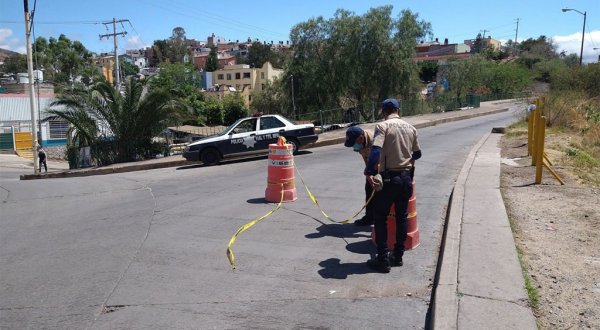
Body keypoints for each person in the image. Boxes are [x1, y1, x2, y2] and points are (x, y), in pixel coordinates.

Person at [363, 98, 421, 273]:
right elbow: (417, 154)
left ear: (384, 112)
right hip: (406, 180)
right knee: (402, 217)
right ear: (399, 110)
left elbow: (376, 150)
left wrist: (369, 172)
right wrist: (405, 161)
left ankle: (382, 260)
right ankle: (398, 256)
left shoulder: (383, 126)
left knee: (380, 218)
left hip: (389, 180)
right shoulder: (411, 128)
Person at [344, 126, 374, 226]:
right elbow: (365, 157)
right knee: (369, 190)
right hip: (371, 167)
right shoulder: (360, 144)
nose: (354, 146)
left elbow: (383, 158)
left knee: (381, 195)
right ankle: (369, 217)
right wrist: (368, 173)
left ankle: (381, 220)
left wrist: (376, 176)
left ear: (361, 138)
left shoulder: (375, 139)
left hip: (384, 167)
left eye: (354, 143)